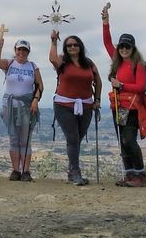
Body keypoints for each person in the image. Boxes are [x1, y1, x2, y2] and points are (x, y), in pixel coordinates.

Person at [101, 6, 146, 187]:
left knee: (129, 140)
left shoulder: (138, 65)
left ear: (133, 48)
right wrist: (105, 23)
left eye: (127, 46)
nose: (123, 49)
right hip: (118, 106)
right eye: (121, 46)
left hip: (132, 107)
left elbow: (140, 87)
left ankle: (140, 175)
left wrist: (121, 85)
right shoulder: (118, 61)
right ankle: (130, 175)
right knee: (122, 142)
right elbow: (107, 43)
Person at [49, 31, 101, 185]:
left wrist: (97, 99)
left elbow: (98, 81)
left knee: (77, 139)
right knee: (72, 138)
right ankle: (76, 172)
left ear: (80, 46)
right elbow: (52, 59)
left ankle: (72, 171)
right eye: (69, 45)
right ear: (65, 48)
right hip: (64, 105)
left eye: (75, 44)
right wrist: (53, 41)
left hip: (86, 105)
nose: (72, 47)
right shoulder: (62, 61)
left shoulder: (89, 63)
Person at [0, 37, 43, 181]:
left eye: (24, 50)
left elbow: (40, 86)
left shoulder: (33, 67)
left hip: (27, 105)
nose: (21, 52)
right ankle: (16, 170)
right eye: (19, 49)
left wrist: (35, 100)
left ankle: (26, 171)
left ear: (28, 52)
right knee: (13, 138)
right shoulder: (9, 63)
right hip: (9, 105)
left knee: (25, 139)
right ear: (15, 50)